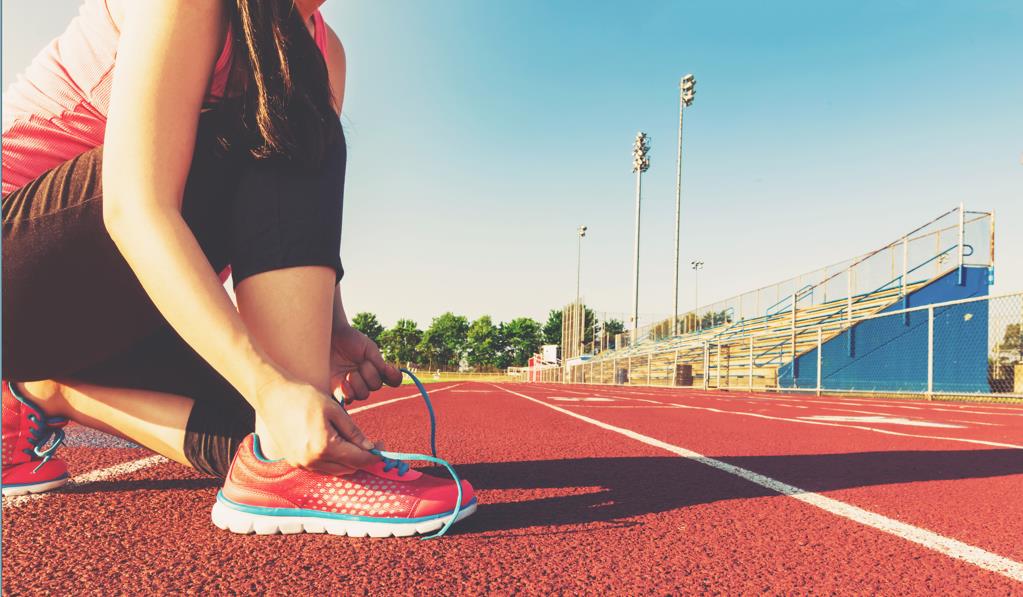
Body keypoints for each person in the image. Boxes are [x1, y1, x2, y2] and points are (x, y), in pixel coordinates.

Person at [1, 0, 475, 536]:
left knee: (269, 435)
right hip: (18, 278)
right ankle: (284, 462)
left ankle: (42, 391)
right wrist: (270, 385)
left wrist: (329, 333)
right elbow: (136, 210)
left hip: (107, 310)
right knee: (285, 118)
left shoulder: (327, 50)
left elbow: (294, 208)